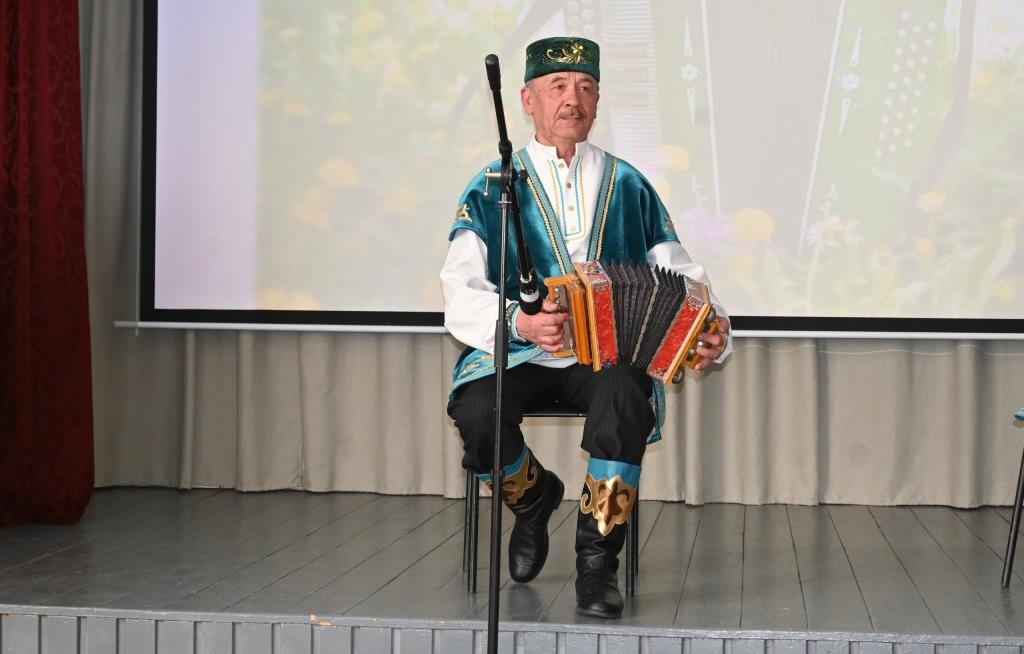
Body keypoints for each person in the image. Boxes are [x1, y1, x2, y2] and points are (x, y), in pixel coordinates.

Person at [441, 36, 731, 618]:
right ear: (527, 99)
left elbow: (682, 275)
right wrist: (520, 322)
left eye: (585, 87)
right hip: (520, 353)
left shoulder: (630, 185)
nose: (572, 99)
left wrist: (713, 327)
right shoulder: (492, 187)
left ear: (597, 103)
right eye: (557, 86)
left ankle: (597, 560)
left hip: (603, 360)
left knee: (625, 397)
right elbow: (458, 287)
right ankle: (532, 498)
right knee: (475, 411)